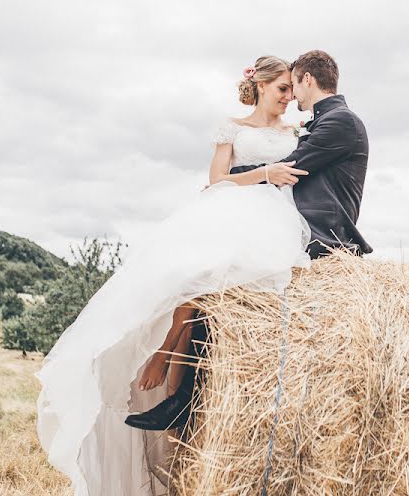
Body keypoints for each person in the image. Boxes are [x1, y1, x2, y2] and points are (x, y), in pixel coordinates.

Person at [125, 50, 372, 433]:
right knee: (203, 282)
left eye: (292, 88)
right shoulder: (240, 127)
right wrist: (246, 178)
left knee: (223, 290)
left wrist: (251, 178)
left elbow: (293, 169)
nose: (290, 97)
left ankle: (181, 400)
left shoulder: (311, 129)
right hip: (246, 211)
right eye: (281, 88)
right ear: (260, 85)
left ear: (307, 81)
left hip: (285, 218)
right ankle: (169, 368)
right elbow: (223, 178)